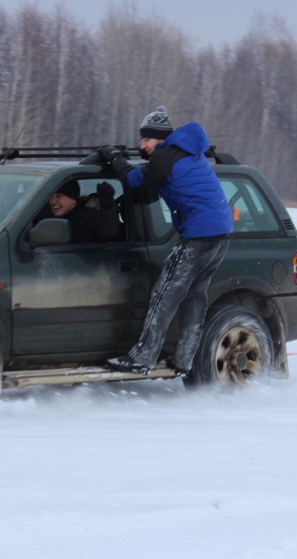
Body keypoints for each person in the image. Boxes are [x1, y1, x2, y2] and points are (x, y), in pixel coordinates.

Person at [98, 106, 233, 377]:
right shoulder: (188, 152)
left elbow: (134, 180)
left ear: (160, 138)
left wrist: (113, 157)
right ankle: (184, 360)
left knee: (165, 295)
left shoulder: (164, 160)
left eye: (146, 140)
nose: (142, 145)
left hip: (198, 234)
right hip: (221, 233)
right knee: (194, 295)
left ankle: (143, 357)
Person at [35, 180, 121, 243]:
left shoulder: (88, 217)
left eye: (58, 196)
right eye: (51, 196)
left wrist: (107, 203)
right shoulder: (43, 215)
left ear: (73, 199)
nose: (53, 201)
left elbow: (106, 231)